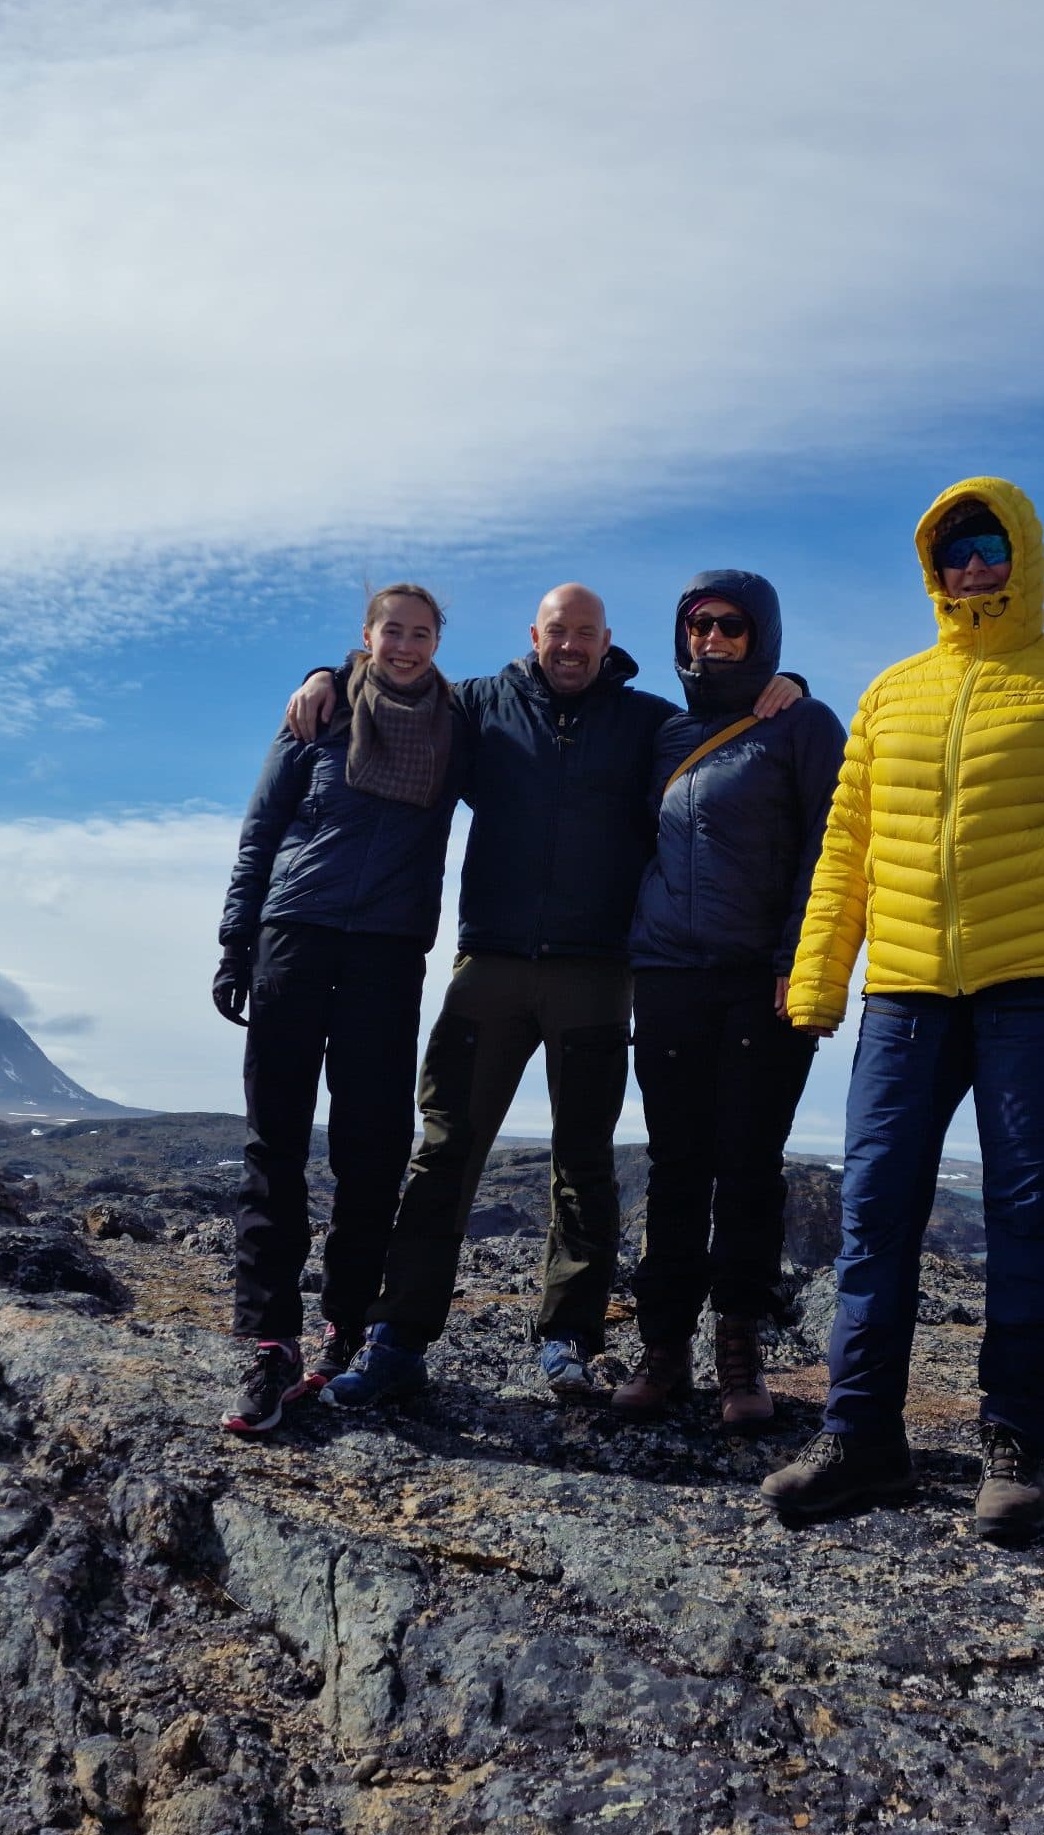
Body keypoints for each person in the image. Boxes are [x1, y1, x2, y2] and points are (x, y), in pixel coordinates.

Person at [762, 479, 1044, 1545]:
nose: (974, 565)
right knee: (873, 1213)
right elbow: (845, 849)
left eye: (990, 544)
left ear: (1022, 553)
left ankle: (1015, 1447)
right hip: (905, 992)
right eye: (955, 552)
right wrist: (818, 977)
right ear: (932, 570)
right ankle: (860, 1436)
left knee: (1028, 1219)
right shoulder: (892, 693)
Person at [283, 587, 800, 1406]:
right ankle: (398, 1336)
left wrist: (790, 683)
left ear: (606, 640)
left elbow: (728, 730)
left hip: (596, 971)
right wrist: (328, 672)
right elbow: (399, 678)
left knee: (584, 1160)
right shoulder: (480, 703)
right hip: (490, 963)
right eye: (558, 631)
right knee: (446, 1151)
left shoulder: (645, 721)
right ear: (535, 635)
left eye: (585, 633)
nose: (570, 646)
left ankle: (569, 1338)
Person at [212, 584, 470, 1435]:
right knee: (276, 1141)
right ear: (367, 635)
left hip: (388, 954)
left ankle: (348, 1326)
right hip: (293, 938)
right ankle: (269, 1341)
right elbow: (262, 828)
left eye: (421, 634)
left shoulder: (457, 726)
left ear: (438, 643)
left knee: (372, 1148)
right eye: (392, 631)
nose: (406, 646)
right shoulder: (317, 716)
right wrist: (236, 941)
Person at [613, 572, 845, 1429]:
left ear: (762, 635)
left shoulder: (803, 724)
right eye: (698, 625)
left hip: (762, 980)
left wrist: (797, 959)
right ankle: (664, 1346)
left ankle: (739, 1349)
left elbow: (830, 846)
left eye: (731, 626)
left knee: (749, 1164)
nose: (711, 639)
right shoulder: (664, 732)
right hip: (668, 975)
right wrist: (330, 676)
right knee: (675, 1166)